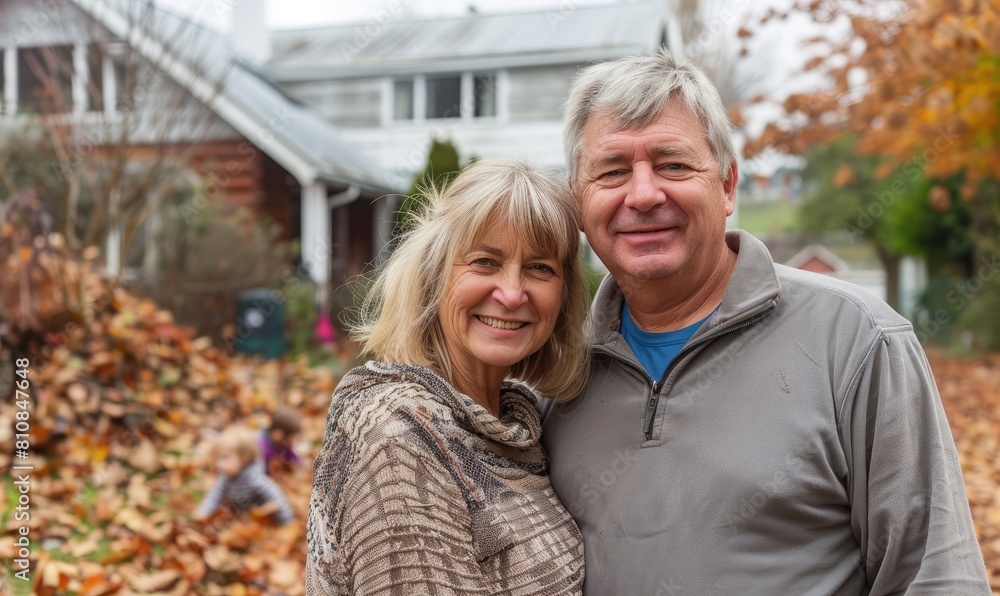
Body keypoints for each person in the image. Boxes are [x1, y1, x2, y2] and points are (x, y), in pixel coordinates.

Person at [541, 48, 991, 595]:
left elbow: (935, 576)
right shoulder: (551, 373)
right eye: (612, 171)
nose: (643, 194)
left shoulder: (856, 340)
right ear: (577, 202)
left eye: (673, 165)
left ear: (728, 186)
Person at [306, 158, 589, 595]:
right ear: (434, 274)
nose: (512, 293)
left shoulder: (517, 422)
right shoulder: (400, 442)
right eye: (484, 261)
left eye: (540, 268)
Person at [195, 425, 294, 526]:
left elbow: (275, 496)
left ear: (244, 458)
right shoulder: (226, 477)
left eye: (225, 458)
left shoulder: (254, 478)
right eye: (217, 459)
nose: (218, 464)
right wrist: (202, 513)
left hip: (256, 516)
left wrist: (286, 520)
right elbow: (214, 496)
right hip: (239, 513)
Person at [260, 406, 303, 474]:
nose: (295, 440)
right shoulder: (262, 448)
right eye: (292, 437)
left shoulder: (282, 444)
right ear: (278, 435)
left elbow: (295, 459)